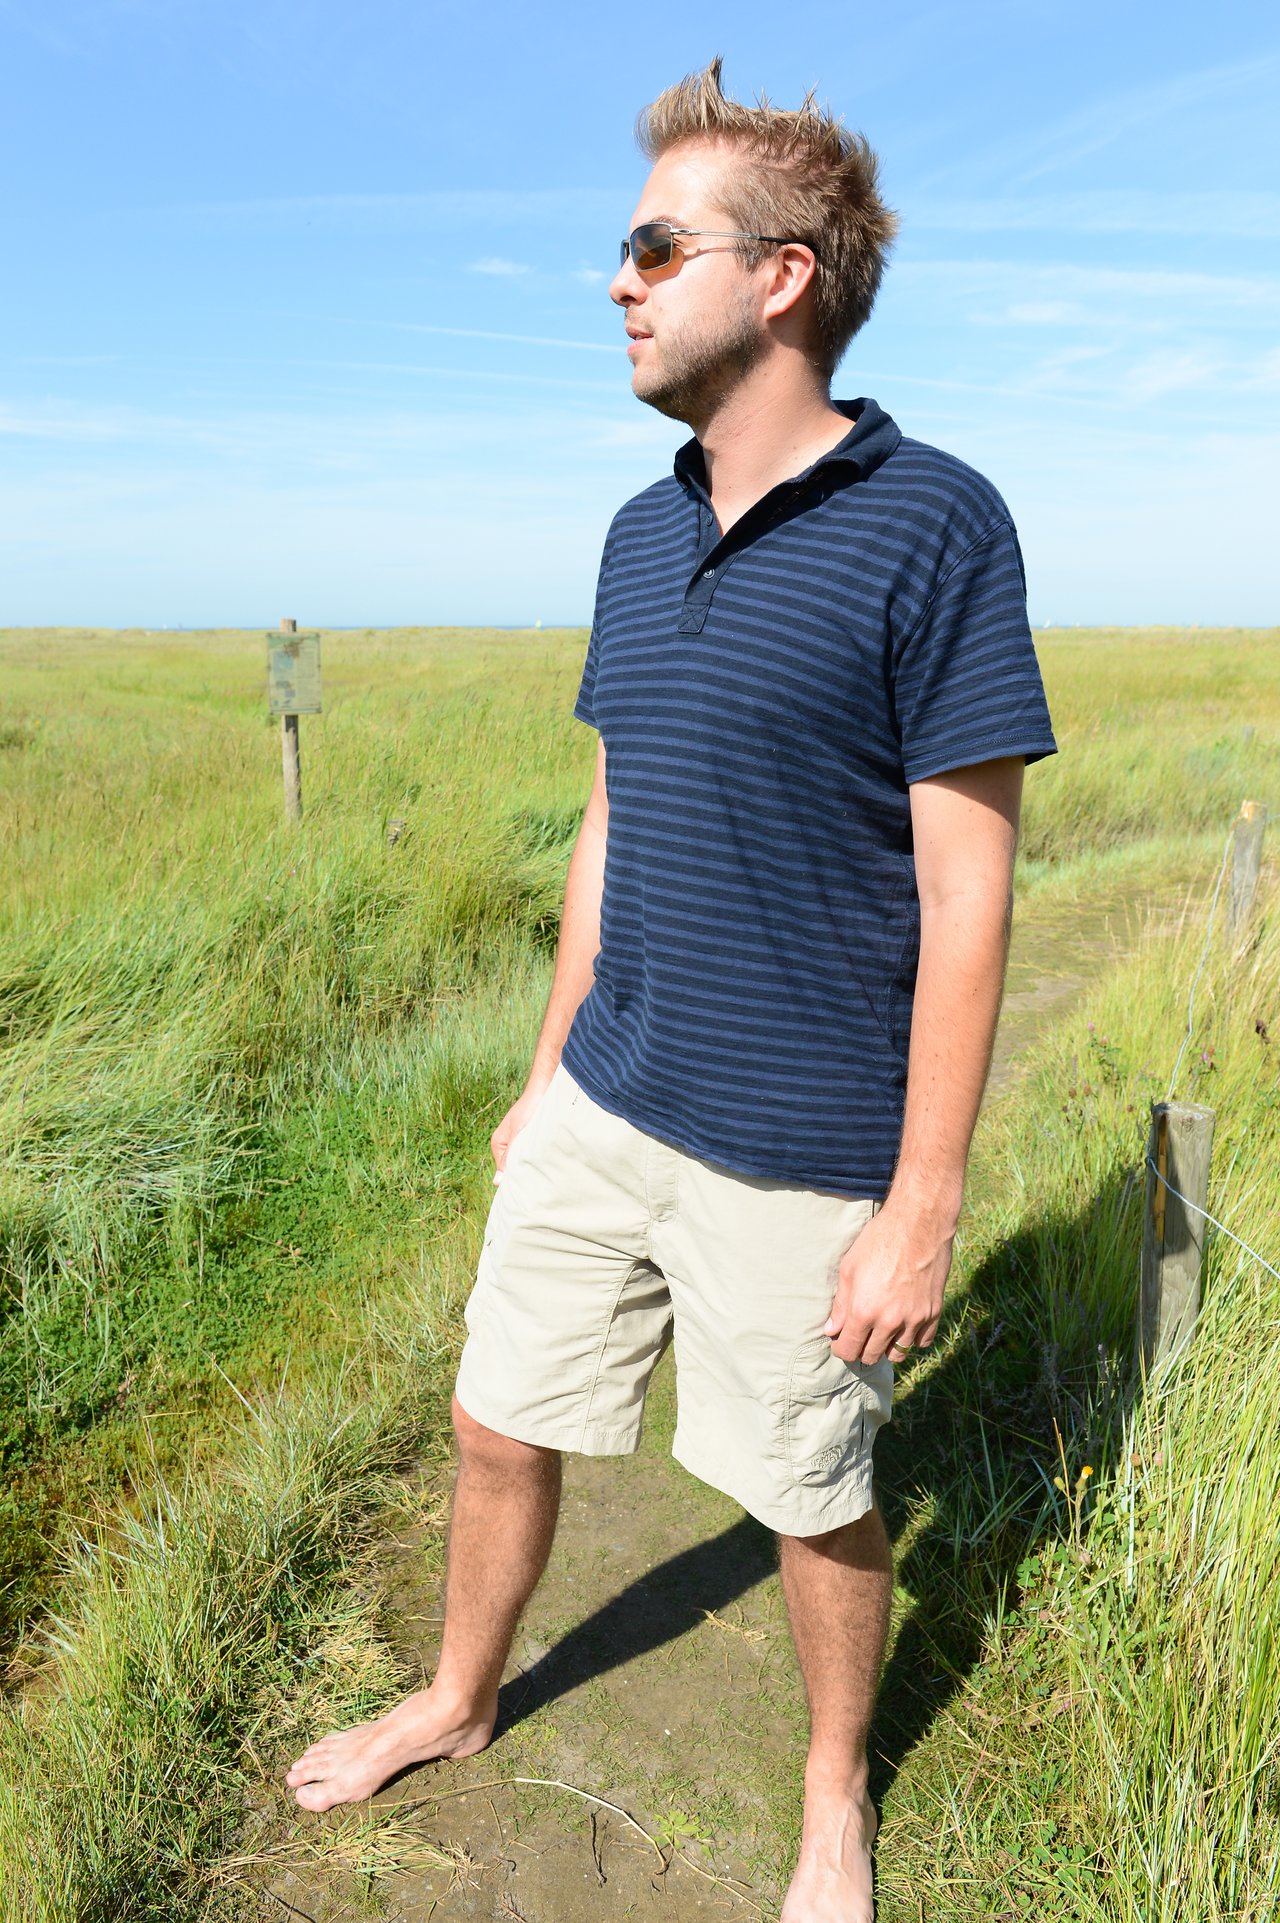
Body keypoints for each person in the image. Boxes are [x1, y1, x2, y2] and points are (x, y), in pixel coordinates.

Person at [287, 57, 1057, 1923]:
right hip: (608, 1099)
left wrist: (921, 1203)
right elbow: (612, 822)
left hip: (802, 1148)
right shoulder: (640, 532)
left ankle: (826, 1803)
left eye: (652, 246)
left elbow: (971, 888)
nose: (617, 282)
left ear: (782, 277)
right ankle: (461, 1698)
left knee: (807, 1497)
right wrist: (549, 1072)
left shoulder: (937, 520)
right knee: (493, 1418)